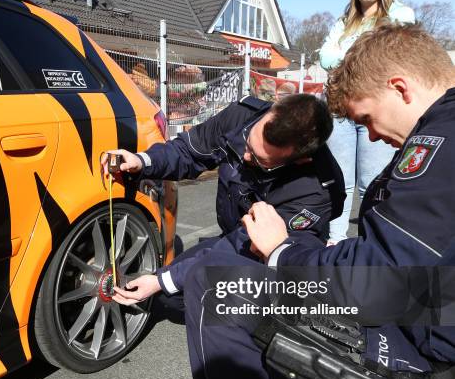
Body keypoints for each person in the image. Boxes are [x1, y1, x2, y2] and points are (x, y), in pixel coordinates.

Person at [181, 24, 455, 379]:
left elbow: (374, 283)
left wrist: (283, 252)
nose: (374, 135)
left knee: (216, 290)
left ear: (400, 88)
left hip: (429, 376)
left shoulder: (439, 142)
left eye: (366, 119)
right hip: (430, 315)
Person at [101, 94, 344, 313]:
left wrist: (161, 280)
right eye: (249, 143)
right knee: (174, 295)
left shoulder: (316, 190)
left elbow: (246, 244)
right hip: (234, 236)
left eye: (260, 159)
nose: (246, 156)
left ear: (300, 159)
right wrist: (143, 161)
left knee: (229, 302)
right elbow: (189, 151)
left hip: (269, 256)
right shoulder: (242, 116)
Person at [319, 0, 415, 244]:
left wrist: (347, 57)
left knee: (371, 182)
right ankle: (335, 241)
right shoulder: (343, 23)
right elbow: (325, 59)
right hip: (340, 108)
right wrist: (364, 55)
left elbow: (395, 56)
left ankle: (370, 243)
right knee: (340, 180)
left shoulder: (400, 14)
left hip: (377, 107)